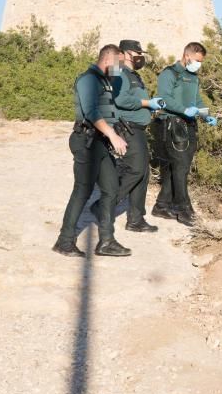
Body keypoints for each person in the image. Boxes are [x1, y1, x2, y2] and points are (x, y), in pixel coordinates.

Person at [52, 44, 131, 258]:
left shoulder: (105, 81)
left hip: (101, 142)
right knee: (82, 191)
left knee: (111, 189)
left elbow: (107, 111)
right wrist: (113, 136)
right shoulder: (88, 79)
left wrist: (115, 132)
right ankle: (64, 241)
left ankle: (106, 241)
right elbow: (91, 111)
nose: (120, 68)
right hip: (87, 142)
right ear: (107, 60)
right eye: (118, 64)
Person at [152, 42, 217, 227]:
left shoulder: (193, 77)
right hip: (172, 124)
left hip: (189, 125)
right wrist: (183, 109)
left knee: (180, 167)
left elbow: (197, 99)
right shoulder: (169, 73)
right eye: (197, 60)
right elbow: (163, 99)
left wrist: (206, 116)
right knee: (180, 166)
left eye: (201, 61)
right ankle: (183, 208)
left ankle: (161, 206)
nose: (199, 64)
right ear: (187, 55)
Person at [112, 39, 165, 233]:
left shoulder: (134, 75)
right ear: (125, 53)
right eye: (136, 53)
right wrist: (146, 103)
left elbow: (133, 98)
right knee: (135, 171)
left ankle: (136, 219)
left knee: (142, 173)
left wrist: (152, 104)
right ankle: (105, 205)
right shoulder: (117, 72)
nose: (140, 57)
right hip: (128, 128)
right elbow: (120, 99)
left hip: (138, 130)